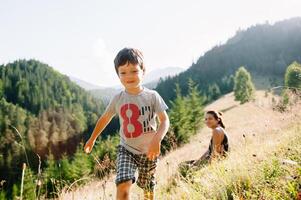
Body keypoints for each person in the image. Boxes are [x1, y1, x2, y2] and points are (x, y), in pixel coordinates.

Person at [84, 48, 170, 200]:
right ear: (118, 75)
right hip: (126, 150)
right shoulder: (118, 98)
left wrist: (157, 140)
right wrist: (92, 138)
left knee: (147, 185)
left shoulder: (152, 96)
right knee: (123, 183)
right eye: (123, 72)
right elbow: (104, 118)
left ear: (143, 71)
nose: (128, 76)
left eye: (134, 71)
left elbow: (165, 121)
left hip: (149, 152)